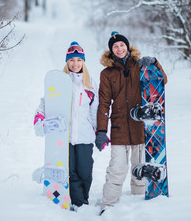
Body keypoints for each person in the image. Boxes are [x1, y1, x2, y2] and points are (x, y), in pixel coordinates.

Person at [95, 31, 167, 214]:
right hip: (119, 129)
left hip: (141, 127)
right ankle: (108, 206)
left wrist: (155, 63)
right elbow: (103, 103)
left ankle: (138, 204)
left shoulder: (140, 66)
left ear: (127, 46)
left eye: (122, 45)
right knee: (117, 169)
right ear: (111, 50)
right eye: (115, 46)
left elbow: (162, 81)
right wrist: (102, 130)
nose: (119, 49)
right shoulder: (107, 73)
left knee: (140, 168)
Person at [33, 41, 99, 211]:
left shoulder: (90, 84)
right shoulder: (60, 82)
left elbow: (95, 110)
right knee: (71, 172)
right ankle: (79, 203)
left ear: (83, 61)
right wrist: (39, 117)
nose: (75, 64)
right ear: (67, 62)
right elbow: (45, 102)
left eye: (78, 60)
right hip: (65, 136)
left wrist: (100, 131)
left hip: (84, 136)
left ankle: (83, 198)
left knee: (86, 172)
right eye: (71, 60)